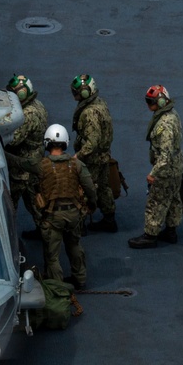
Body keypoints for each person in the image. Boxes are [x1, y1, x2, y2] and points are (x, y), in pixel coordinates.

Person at [36, 124, 97, 290]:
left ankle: (57, 287)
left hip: (53, 216)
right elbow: (90, 188)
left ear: (47, 143)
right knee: (74, 245)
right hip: (74, 214)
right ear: (65, 143)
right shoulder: (76, 165)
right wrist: (92, 205)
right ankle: (80, 278)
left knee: (52, 254)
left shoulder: (42, 166)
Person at [129, 85, 183, 249]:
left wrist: (153, 173)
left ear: (160, 102)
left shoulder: (164, 124)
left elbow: (165, 155)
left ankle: (150, 235)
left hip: (165, 170)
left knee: (156, 201)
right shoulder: (172, 114)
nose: (148, 105)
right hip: (176, 167)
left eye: (150, 102)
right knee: (173, 199)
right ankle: (171, 231)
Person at [3, 74, 48, 240]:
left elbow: (13, 140)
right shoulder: (38, 105)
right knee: (36, 204)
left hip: (22, 168)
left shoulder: (27, 115)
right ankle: (44, 233)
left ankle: (8, 237)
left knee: (10, 205)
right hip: (34, 162)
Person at [70, 73, 117, 232]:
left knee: (84, 188)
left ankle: (80, 225)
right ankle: (109, 219)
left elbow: (92, 142)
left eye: (76, 92)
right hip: (104, 156)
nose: (75, 95)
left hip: (92, 159)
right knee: (104, 187)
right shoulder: (99, 103)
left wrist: (79, 155)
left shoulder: (89, 112)